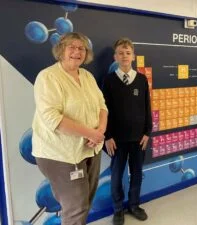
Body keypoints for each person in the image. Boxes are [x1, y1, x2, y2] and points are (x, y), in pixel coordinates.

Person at [32, 32, 108, 225]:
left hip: (91, 147)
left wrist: (99, 132)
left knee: (85, 202)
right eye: (71, 47)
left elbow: (102, 106)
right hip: (60, 153)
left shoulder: (87, 76)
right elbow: (52, 118)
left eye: (81, 48)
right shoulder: (48, 77)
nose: (77, 52)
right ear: (61, 50)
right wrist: (92, 133)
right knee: (76, 207)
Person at [102, 38, 152, 225]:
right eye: (121, 53)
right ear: (115, 56)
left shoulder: (140, 79)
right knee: (116, 175)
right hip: (117, 140)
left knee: (137, 173)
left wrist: (147, 132)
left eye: (128, 52)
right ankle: (118, 209)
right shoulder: (108, 80)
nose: (124, 56)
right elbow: (103, 110)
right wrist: (107, 136)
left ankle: (134, 205)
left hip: (139, 138)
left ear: (133, 56)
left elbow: (147, 106)